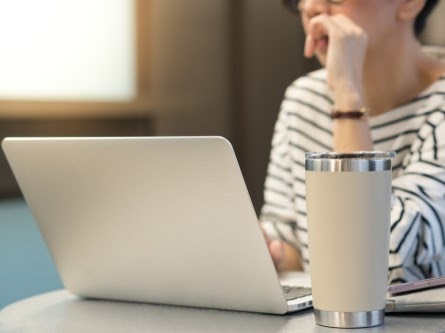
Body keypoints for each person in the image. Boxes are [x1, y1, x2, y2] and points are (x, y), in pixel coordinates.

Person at [260, 0, 445, 283]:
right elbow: (294, 244)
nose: (310, 7)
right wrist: (269, 252)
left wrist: (347, 97)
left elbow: (376, 259)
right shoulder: (303, 99)